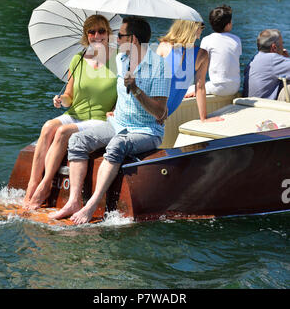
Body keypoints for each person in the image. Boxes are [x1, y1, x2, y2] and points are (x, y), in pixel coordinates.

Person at [50, 16, 170, 223]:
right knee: (77, 141)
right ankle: (73, 201)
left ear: (132, 39)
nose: (116, 39)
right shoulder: (120, 60)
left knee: (116, 145)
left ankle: (92, 204)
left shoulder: (160, 67)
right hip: (118, 123)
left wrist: (135, 89)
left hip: (146, 131)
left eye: (120, 35)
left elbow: (160, 113)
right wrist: (113, 108)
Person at [23, 15, 117, 209]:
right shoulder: (78, 59)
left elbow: (124, 93)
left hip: (101, 119)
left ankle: (45, 184)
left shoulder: (119, 61)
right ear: (86, 35)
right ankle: (33, 182)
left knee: (62, 132)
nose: (97, 35)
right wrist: (61, 101)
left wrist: (116, 110)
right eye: (92, 32)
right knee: (48, 126)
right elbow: (69, 96)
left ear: (108, 34)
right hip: (76, 114)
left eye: (101, 31)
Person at [157, 20, 224, 122]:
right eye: (202, 26)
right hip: (161, 111)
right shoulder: (201, 55)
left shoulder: (164, 46)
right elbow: (200, 87)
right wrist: (204, 118)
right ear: (194, 28)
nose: (202, 29)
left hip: (152, 107)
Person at [186, 5, 242, 97]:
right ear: (228, 24)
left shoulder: (207, 40)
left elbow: (197, 65)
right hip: (235, 86)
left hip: (218, 87)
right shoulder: (237, 40)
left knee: (189, 88)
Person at [243, 29, 290, 100]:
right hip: (265, 106)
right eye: (282, 44)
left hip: (249, 104)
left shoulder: (254, 59)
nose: (283, 47)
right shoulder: (273, 59)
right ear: (274, 47)